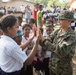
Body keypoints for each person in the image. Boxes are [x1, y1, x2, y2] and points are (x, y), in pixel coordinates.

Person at [40, 11, 76, 75]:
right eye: (58, 19)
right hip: (53, 67)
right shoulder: (58, 31)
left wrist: (44, 41)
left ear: (69, 21)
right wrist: (39, 38)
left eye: (61, 19)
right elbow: (47, 40)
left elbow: (61, 50)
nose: (58, 21)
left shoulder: (71, 36)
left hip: (64, 70)